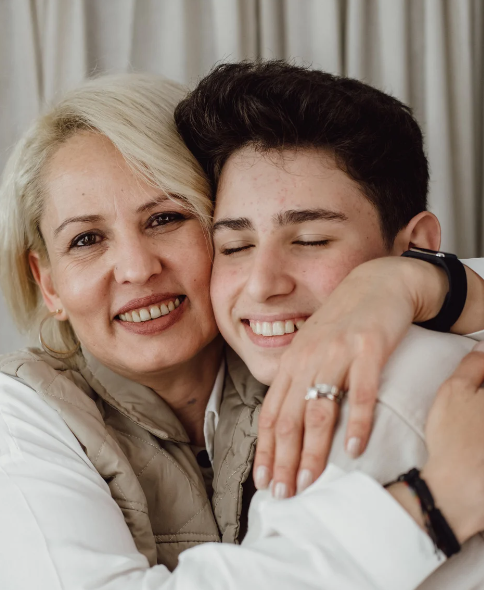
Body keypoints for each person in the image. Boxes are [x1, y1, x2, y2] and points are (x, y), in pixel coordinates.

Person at [0, 70, 483, 589]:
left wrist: (414, 279)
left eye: (165, 218)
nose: (137, 268)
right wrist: (435, 504)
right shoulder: (10, 412)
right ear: (48, 284)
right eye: (86, 240)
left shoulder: (300, 358)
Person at [174, 61, 484, 588]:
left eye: (311, 240)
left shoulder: (349, 410)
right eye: (235, 246)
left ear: (416, 247)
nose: (262, 283)